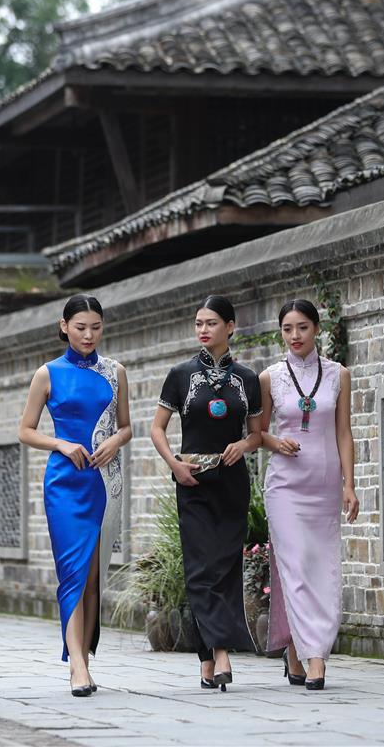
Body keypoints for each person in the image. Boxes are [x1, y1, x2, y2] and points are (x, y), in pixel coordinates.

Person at [19, 294, 131, 697]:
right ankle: (77, 667)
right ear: (64, 326)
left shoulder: (114, 371)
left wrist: (116, 442)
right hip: (64, 483)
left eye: (96, 327)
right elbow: (26, 430)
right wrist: (62, 445)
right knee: (73, 573)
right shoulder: (47, 374)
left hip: (103, 480)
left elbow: (127, 427)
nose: (89, 334)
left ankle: (84, 653)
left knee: (93, 575)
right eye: (81, 327)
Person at [151, 295, 262, 691]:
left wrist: (245, 446)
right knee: (200, 571)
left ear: (230, 327)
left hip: (231, 483)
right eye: (198, 322)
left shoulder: (247, 379)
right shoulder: (180, 375)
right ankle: (220, 654)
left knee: (225, 569)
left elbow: (256, 433)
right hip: (192, 482)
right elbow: (157, 429)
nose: (203, 329)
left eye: (211, 322)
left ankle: (207, 661)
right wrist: (174, 465)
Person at [259, 299, 359, 690]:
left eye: (302, 327)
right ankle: (315, 656)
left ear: (316, 329)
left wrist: (349, 484)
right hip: (284, 485)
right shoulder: (270, 377)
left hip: (324, 483)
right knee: (296, 566)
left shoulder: (339, 375)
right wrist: (274, 442)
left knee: (322, 567)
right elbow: (257, 432)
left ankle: (297, 651)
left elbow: (344, 433)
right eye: (287, 329)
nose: (295, 336)